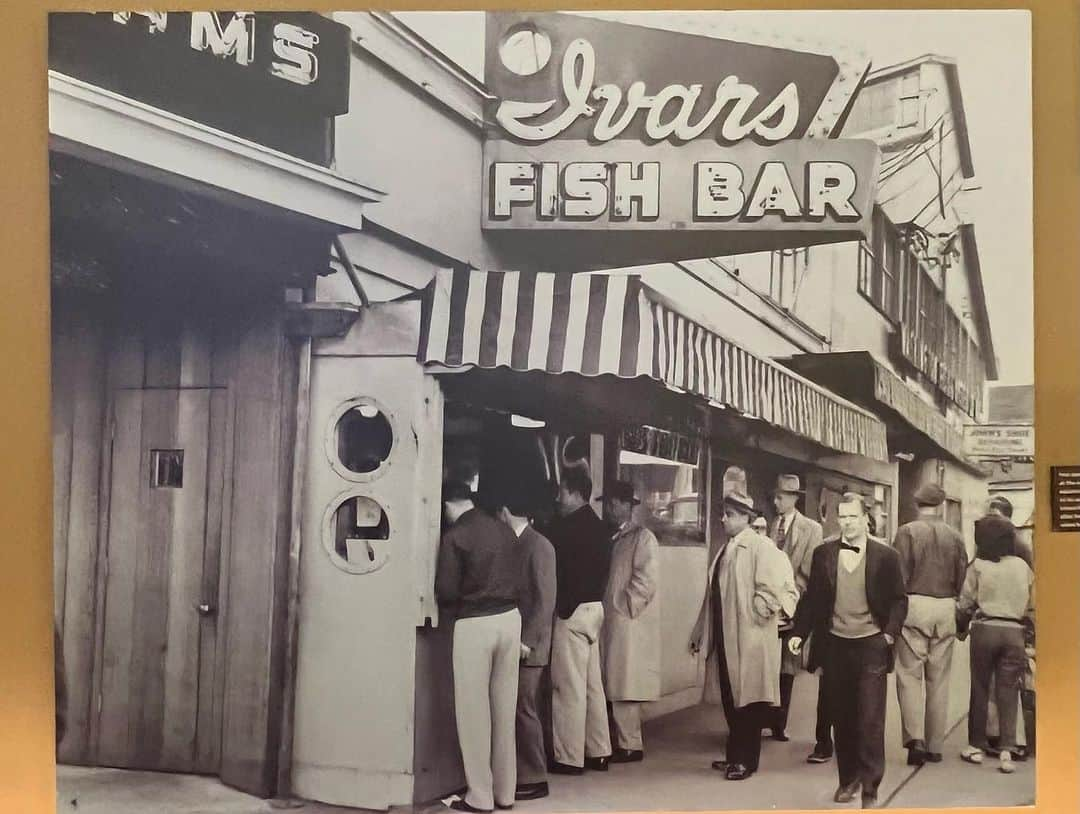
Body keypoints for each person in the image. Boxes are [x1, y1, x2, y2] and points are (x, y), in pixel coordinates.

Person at [789, 493, 907, 809]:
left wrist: (889, 635)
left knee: (870, 718)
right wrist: (799, 634)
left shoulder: (886, 555)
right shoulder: (823, 553)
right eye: (842, 517)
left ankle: (870, 788)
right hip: (836, 644)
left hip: (871, 644)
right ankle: (848, 779)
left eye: (853, 516)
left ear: (865, 518)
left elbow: (899, 599)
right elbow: (812, 599)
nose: (847, 523)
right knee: (842, 717)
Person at [691, 491, 797, 781]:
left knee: (748, 703)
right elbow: (712, 593)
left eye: (729, 514)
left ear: (745, 518)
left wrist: (756, 615)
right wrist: (701, 630)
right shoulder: (727, 548)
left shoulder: (760, 547)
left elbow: (772, 589)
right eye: (724, 513)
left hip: (748, 639)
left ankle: (746, 762)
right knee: (731, 699)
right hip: (727, 638)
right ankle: (733, 756)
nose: (723, 519)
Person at [435, 481, 523, 813]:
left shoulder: (455, 536)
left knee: (474, 714)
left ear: (447, 506)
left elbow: (446, 591)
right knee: (504, 711)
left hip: (475, 624)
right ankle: (506, 793)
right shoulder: (503, 529)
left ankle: (480, 796)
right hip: (511, 621)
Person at [891, 483, 968, 766]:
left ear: (917, 503)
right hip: (946, 606)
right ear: (941, 505)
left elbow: (897, 576)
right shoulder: (955, 536)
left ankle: (915, 740)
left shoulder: (907, 532)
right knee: (939, 679)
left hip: (914, 606)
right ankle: (935, 745)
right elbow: (963, 577)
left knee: (910, 675)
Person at [547, 467, 614, 774]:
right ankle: (599, 751)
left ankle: (569, 757)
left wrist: (560, 607)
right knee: (592, 686)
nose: (558, 497)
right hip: (595, 610)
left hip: (571, 612)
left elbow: (557, 574)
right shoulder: (603, 528)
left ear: (575, 493)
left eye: (562, 491)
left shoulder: (562, 529)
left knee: (568, 687)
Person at [957, 514, 1034, 775]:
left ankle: (976, 747)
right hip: (1014, 632)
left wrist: (961, 627)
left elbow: (966, 601)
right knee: (1008, 690)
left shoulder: (978, 566)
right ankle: (1007, 749)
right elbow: (1034, 603)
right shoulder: (1023, 567)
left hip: (985, 629)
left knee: (980, 687)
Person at [493, 488, 557, 802]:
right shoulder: (517, 543)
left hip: (531, 646)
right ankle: (521, 773)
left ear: (505, 512)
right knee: (518, 708)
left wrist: (528, 641)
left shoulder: (539, 545)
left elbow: (546, 601)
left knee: (524, 708)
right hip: (517, 641)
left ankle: (535, 776)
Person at [597, 480, 661, 763]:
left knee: (625, 685)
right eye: (607, 503)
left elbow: (646, 580)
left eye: (614, 503)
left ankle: (631, 744)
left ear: (627, 506)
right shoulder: (613, 536)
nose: (610, 508)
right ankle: (623, 741)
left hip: (627, 622)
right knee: (615, 681)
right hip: (612, 620)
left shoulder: (642, 537)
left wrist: (624, 606)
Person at [766, 474, 825, 748]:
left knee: (787, 664)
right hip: (768, 605)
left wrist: (788, 596)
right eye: (774, 496)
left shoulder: (811, 529)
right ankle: (766, 717)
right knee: (767, 662)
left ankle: (780, 722)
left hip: (794, 604)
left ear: (793, 498)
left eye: (780, 497)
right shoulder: (770, 525)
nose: (776, 501)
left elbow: (809, 571)